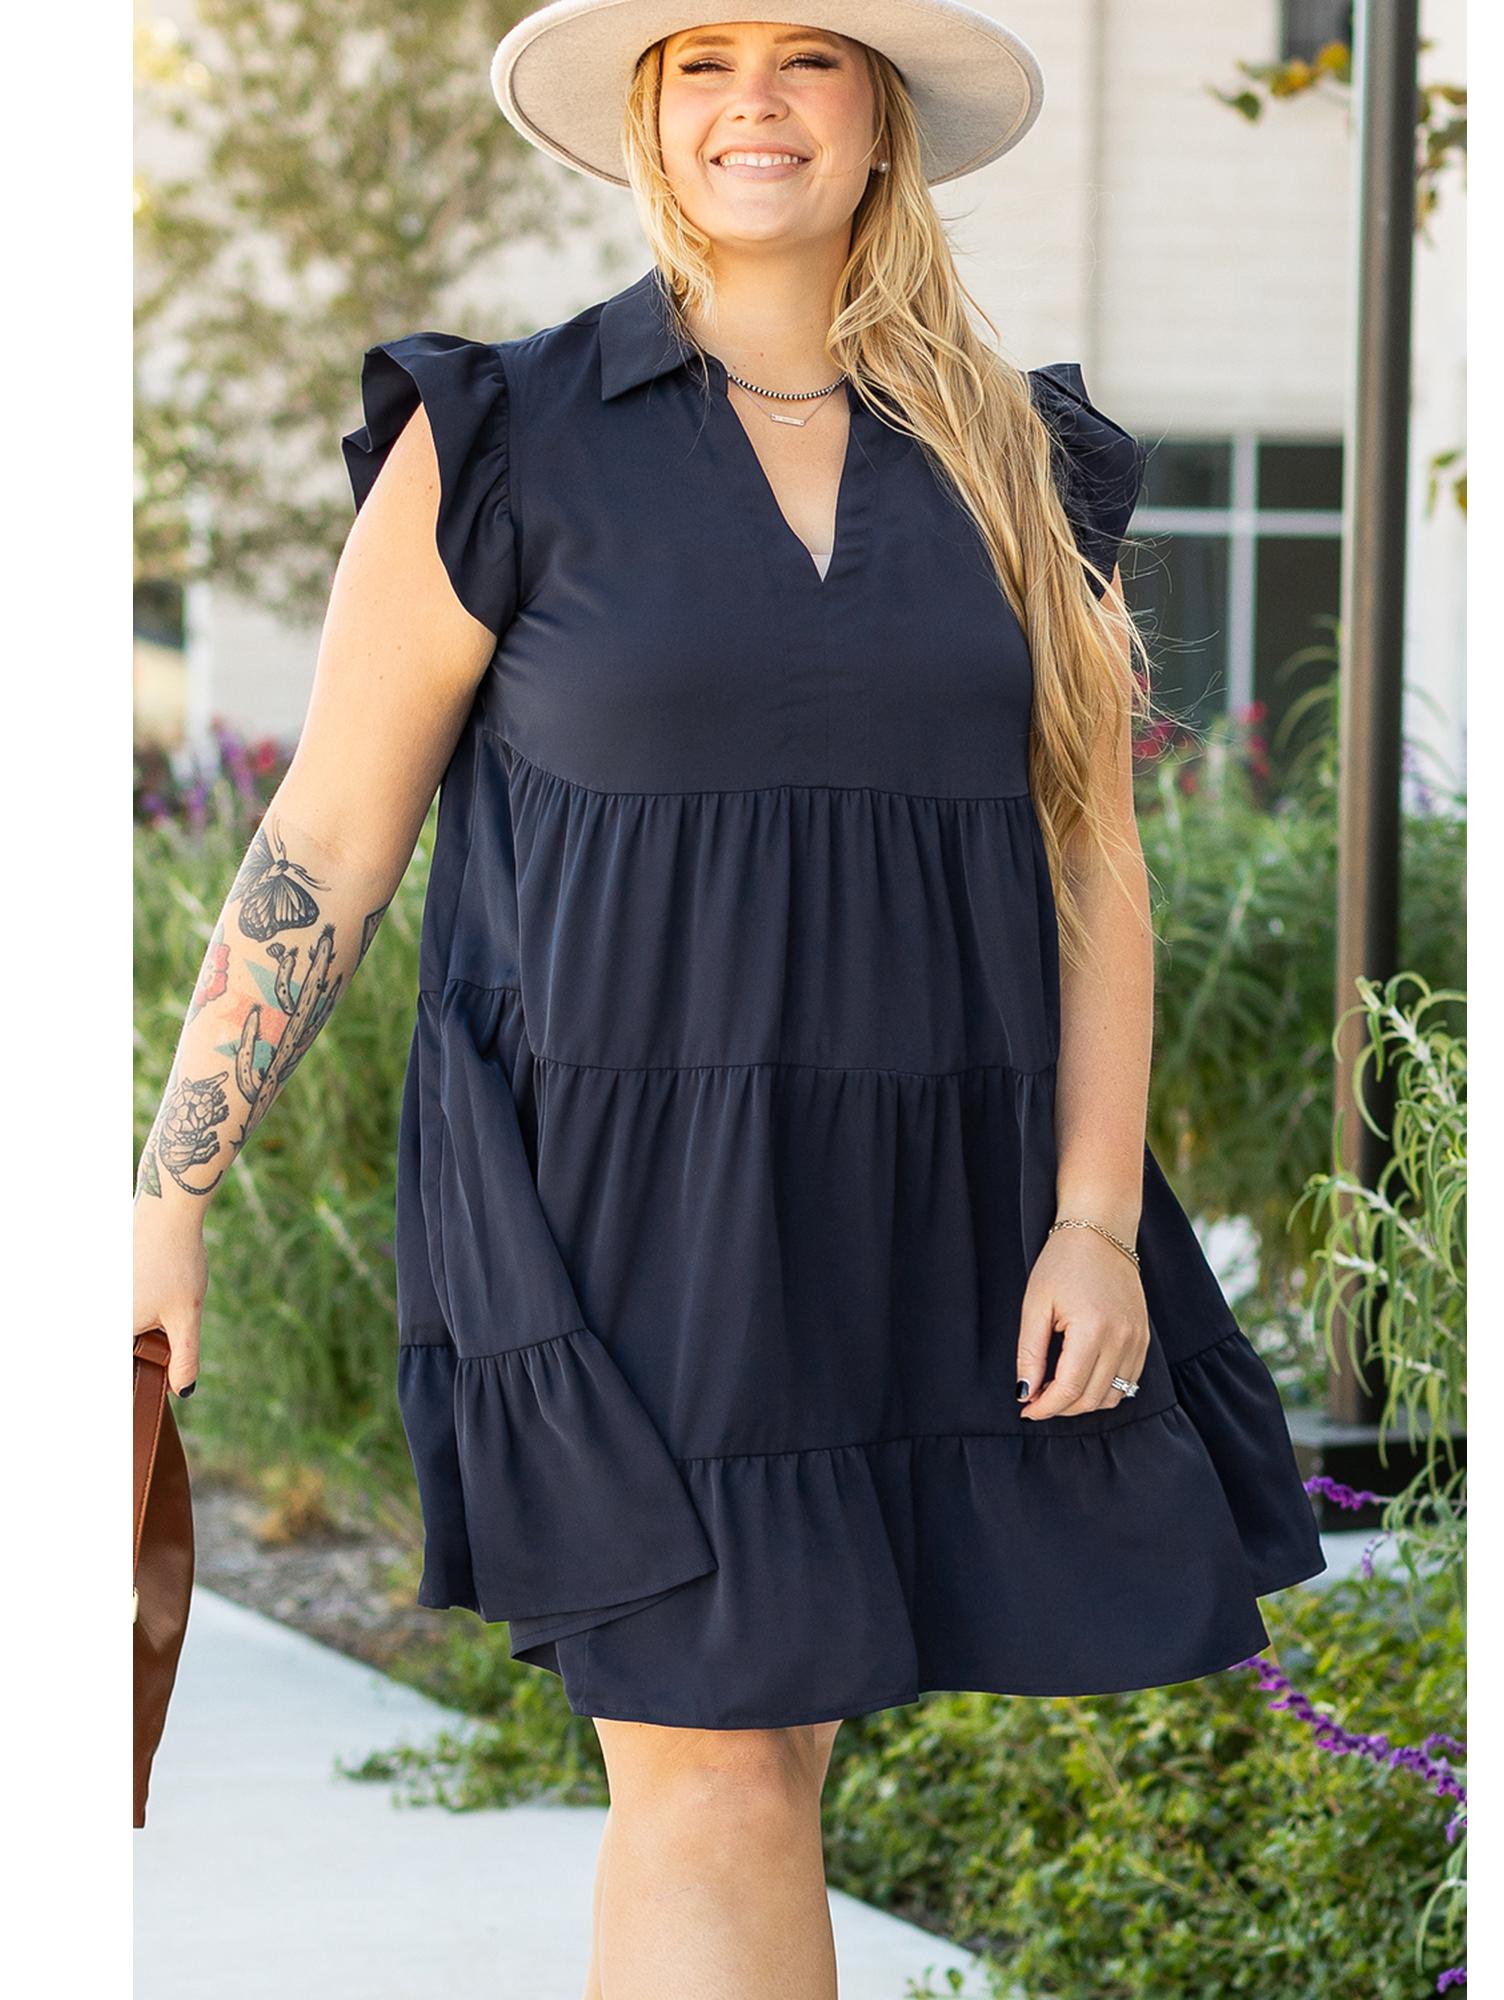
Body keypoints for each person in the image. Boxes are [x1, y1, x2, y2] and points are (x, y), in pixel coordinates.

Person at [133, 5, 1327, 1993]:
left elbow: (1093, 866)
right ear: (645, 119)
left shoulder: (1016, 461)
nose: (752, 100)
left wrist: (1096, 1215)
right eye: (701, 59)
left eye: (807, 57)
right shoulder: (500, 440)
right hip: (612, 1216)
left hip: (919, 1197)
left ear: (883, 122)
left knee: (765, 1764)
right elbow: (322, 842)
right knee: (714, 1777)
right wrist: (169, 1189)